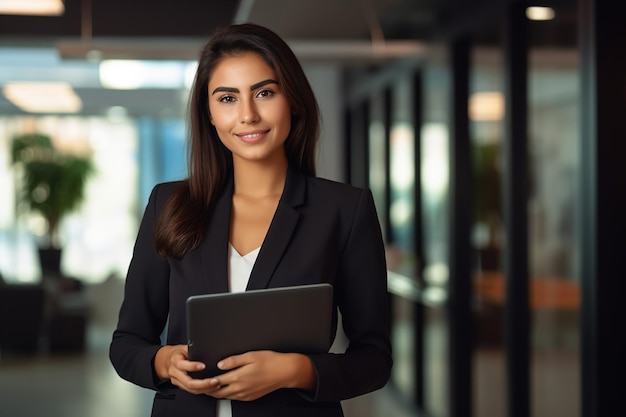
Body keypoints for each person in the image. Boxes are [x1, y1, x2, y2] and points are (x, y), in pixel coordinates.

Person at [109, 23, 392, 417]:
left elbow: (374, 359)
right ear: (208, 113)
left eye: (264, 92)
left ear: (291, 99)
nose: (248, 115)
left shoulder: (344, 210)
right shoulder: (169, 204)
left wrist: (296, 370)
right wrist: (165, 363)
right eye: (227, 98)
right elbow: (126, 343)